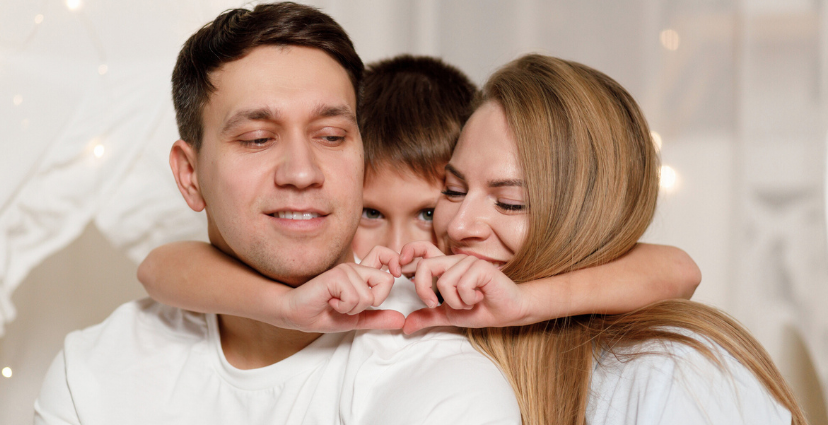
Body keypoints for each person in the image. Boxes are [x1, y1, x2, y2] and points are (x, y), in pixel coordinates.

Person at [33, 4, 521, 424]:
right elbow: (158, 268)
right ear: (188, 176)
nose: (302, 172)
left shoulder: (442, 372)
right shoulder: (95, 370)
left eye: (331, 137)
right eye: (257, 139)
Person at [137, 54, 701, 332]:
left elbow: (678, 268)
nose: (405, 242)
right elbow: (161, 266)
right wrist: (285, 308)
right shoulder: (325, 276)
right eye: (370, 212)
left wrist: (525, 303)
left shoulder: (475, 274)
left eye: (431, 208)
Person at [404, 53, 805, 424]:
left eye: (510, 202)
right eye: (453, 191)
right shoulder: (425, 329)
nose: (457, 226)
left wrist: (525, 304)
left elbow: (682, 269)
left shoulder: (674, 373)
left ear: (587, 218)